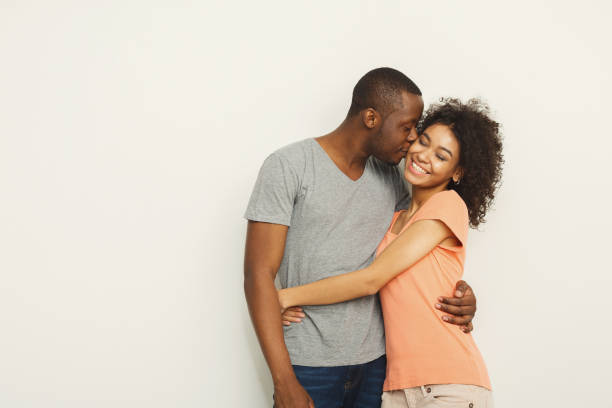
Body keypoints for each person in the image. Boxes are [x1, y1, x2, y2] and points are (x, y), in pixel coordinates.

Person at [243, 68, 479, 408]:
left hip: (378, 367)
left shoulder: (395, 179)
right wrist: (283, 380)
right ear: (371, 118)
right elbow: (257, 275)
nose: (413, 139)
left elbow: (412, 256)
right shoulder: (289, 166)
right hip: (310, 363)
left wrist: (461, 293)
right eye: (408, 127)